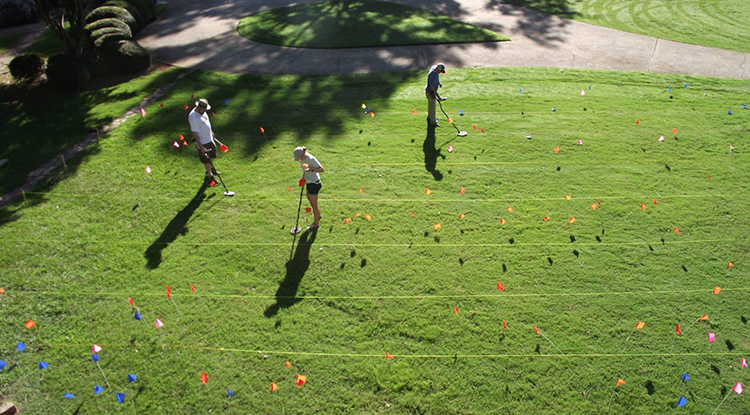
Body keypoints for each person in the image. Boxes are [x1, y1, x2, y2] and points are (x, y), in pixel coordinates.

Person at [293, 146, 324, 230]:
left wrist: (311, 170)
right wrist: (303, 178)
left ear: (303, 154)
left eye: (299, 157)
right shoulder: (303, 159)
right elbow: (305, 170)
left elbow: (321, 169)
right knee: (309, 197)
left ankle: (316, 224)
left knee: (314, 205)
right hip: (309, 182)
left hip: (314, 183)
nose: (299, 159)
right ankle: (318, 215)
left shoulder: (311, 159)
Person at [188, 98, 220, 179]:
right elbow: (194, 134)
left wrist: (211, 132)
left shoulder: (203, 112)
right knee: (206, 159)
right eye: (202, 109)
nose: (204, 111)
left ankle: (211, 169)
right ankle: (209, 175)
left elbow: (207, 122)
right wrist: (201, 147)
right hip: (203, 141)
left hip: (209, 138)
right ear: (198, 107)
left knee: (213, 154)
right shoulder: (193, 117)